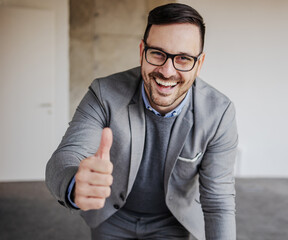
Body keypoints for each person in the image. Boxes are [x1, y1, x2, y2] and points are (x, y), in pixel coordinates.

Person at [46, 3, 238, 240]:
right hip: (111, 217)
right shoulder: (104, 93)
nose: (167, 71)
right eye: (157, 53)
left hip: (172, 222)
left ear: (199, 64)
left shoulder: (219, 113)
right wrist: (75, 182)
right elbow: (66, 156)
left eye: (183, 58)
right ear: (141, 51)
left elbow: (218, 201)